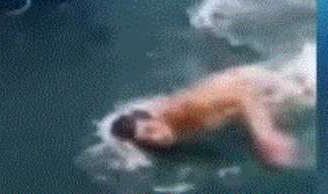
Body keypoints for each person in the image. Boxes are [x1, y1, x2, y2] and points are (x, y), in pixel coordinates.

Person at [109, 64, 313, 168]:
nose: (157, 138)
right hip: (228, 104)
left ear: (154, 119)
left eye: (151, 129)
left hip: (250, 84)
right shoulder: (154, 135)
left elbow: (242, 94)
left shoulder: (185, 109)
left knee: (309, 98)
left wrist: (265, 135)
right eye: (147, 140)